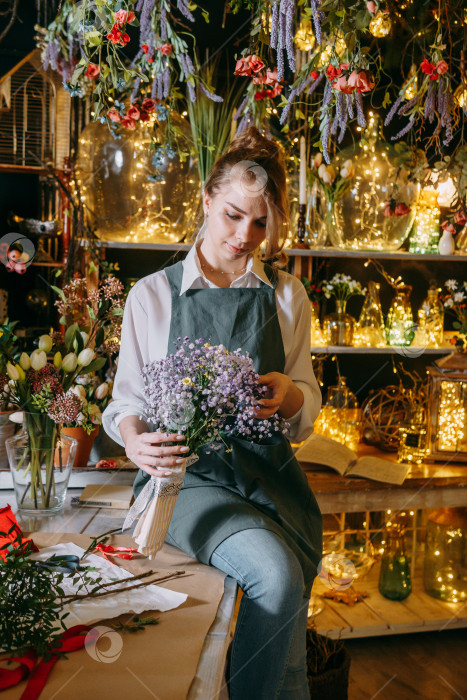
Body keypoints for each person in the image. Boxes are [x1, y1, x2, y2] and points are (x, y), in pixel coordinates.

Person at [103, 126, 323, 700]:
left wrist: (289, 395)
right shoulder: (151, 295)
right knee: (276, 576)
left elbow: (306, 399)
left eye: (260, 223)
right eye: (232, 215)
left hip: (270, 478)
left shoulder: (287, 296)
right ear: (205, 198)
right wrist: (134, 441)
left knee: (293, 643)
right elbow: (126, 401)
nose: (245, 235)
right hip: (185, 480)